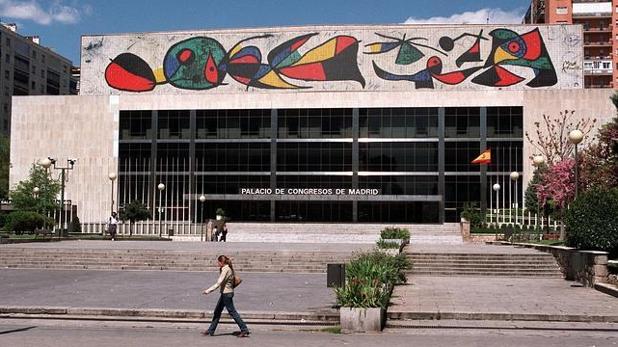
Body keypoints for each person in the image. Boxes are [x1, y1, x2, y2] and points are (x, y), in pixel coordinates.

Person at [202, 255, 249, 337]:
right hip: (226, 293)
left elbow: (219, 282)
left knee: (232, 312)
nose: (217, 264)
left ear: (221, 262)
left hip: (226, 294)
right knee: (217, 311)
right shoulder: (226, 268)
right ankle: (211, 330)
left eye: (218, 262)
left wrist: (208, 290)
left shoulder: (225, 269)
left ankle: (244, 329)